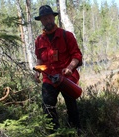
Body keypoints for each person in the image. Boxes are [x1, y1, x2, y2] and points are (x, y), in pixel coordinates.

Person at [33, 5, 82, 133]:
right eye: (44, 19)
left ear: (53, 18)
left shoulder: (67, 36)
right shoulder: (39, 40)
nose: (47, 21)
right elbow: (39, 59)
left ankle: (75, 132)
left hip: (66, 78)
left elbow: (77, 56)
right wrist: (37, 71)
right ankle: (53, 133)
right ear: (41, 21)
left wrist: (70, 68)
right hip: (49, 79)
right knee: (47, 107)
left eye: (49, 18)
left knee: (72, 107)